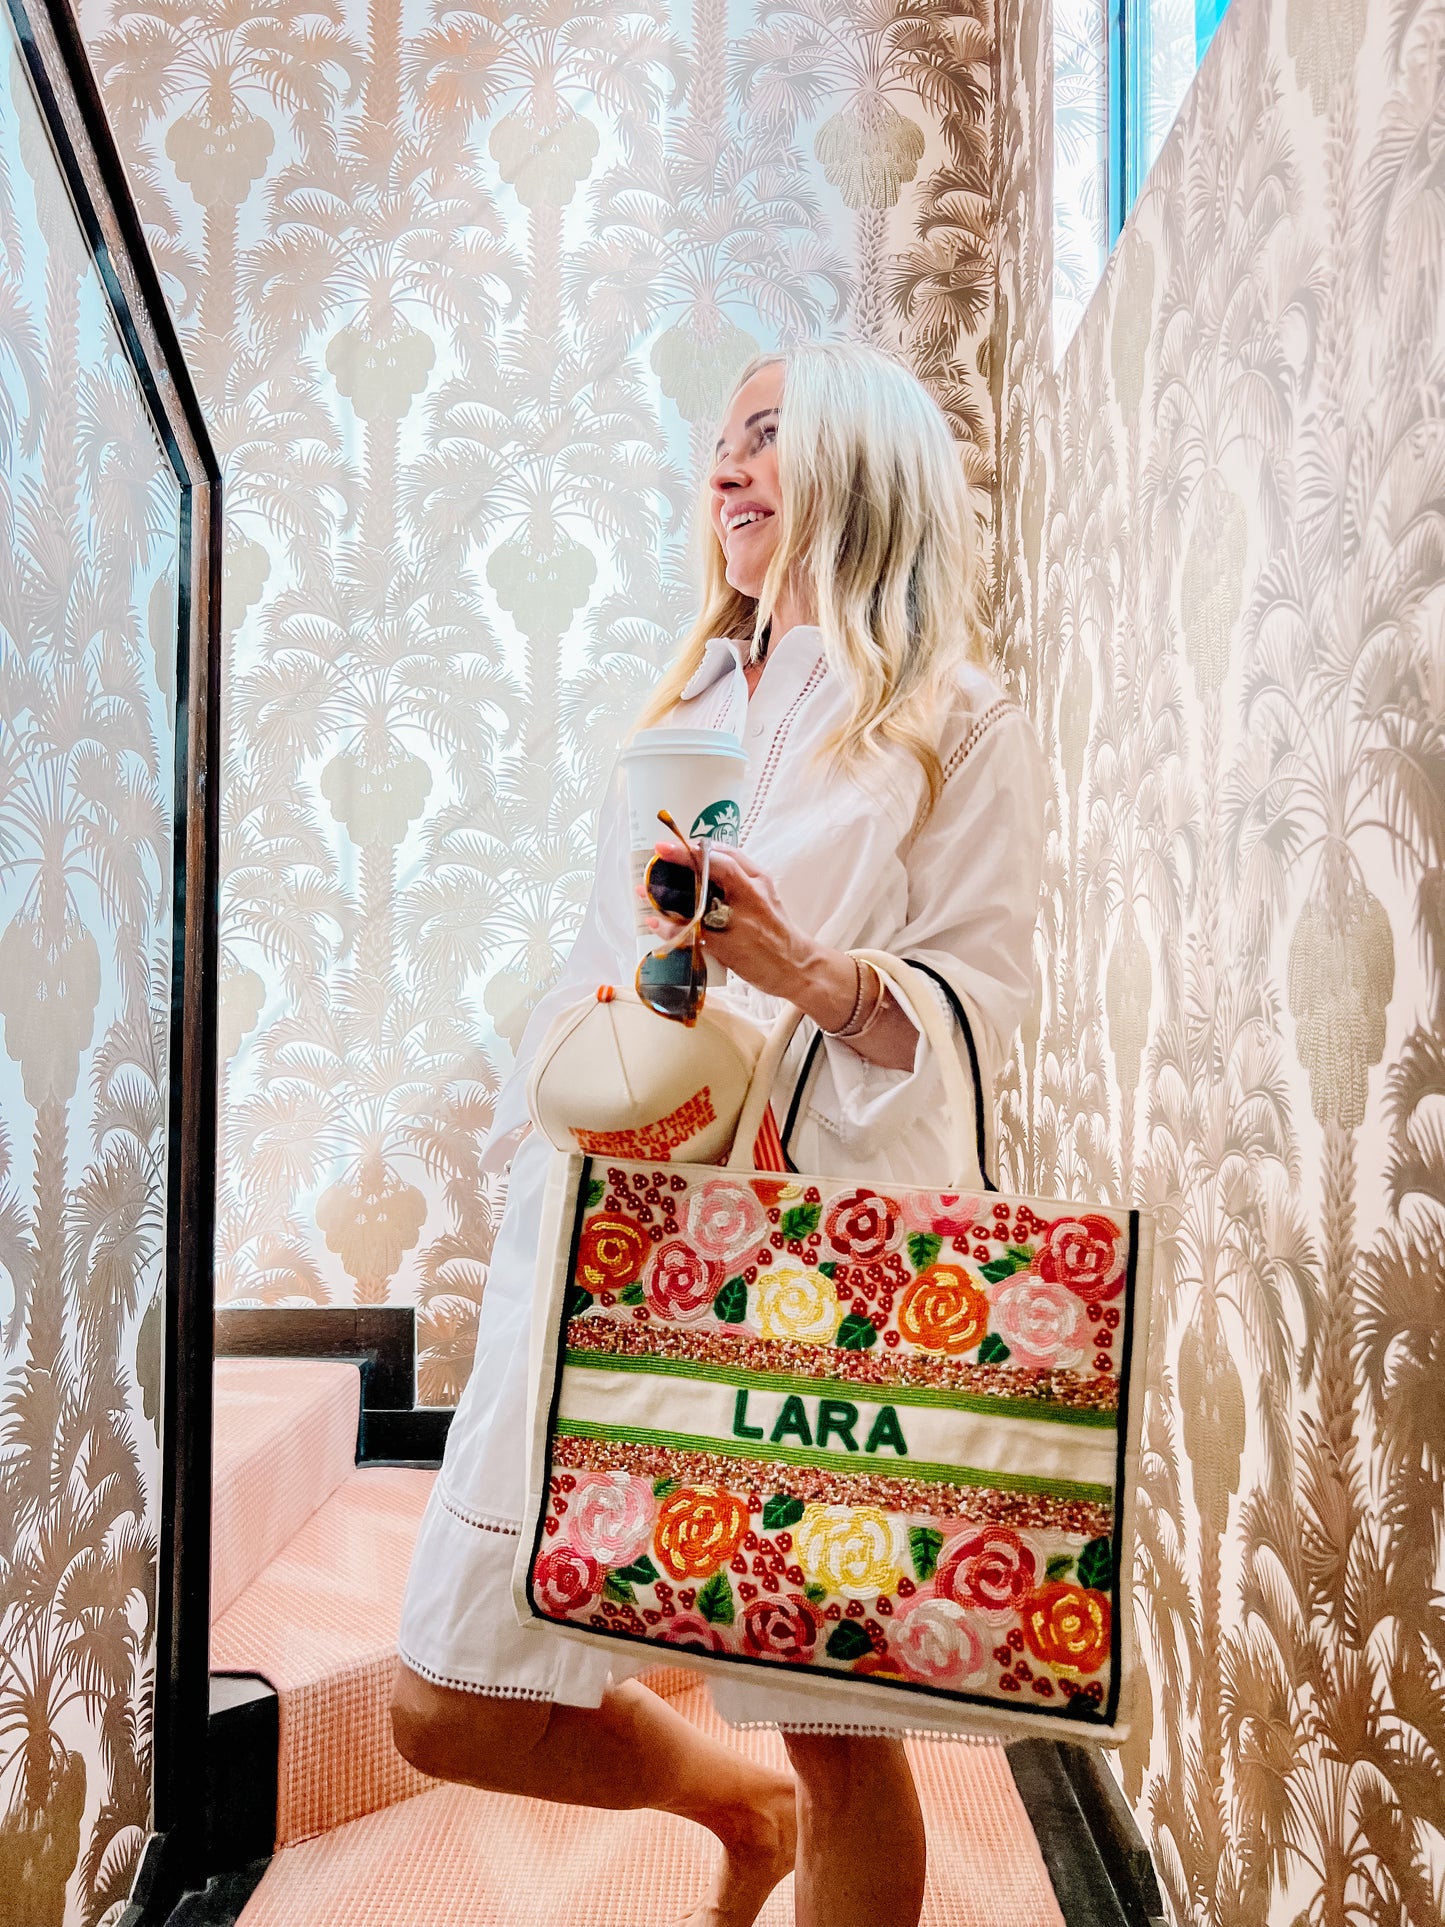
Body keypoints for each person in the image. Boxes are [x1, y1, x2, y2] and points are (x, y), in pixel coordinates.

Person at [391, 344, 1046, 1927]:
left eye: (764, 433)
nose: (724, 468)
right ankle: (739, 1811)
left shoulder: (956, 723)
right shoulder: (681, 704)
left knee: (841, 1743)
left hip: (807, 1266)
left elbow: (975, 1011)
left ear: (857, 458)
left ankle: (788, 1803)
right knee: (442, 1704)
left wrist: (801, 972)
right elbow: (597, 960)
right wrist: (591, 1051)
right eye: (717, 442)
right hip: (608, 1231)